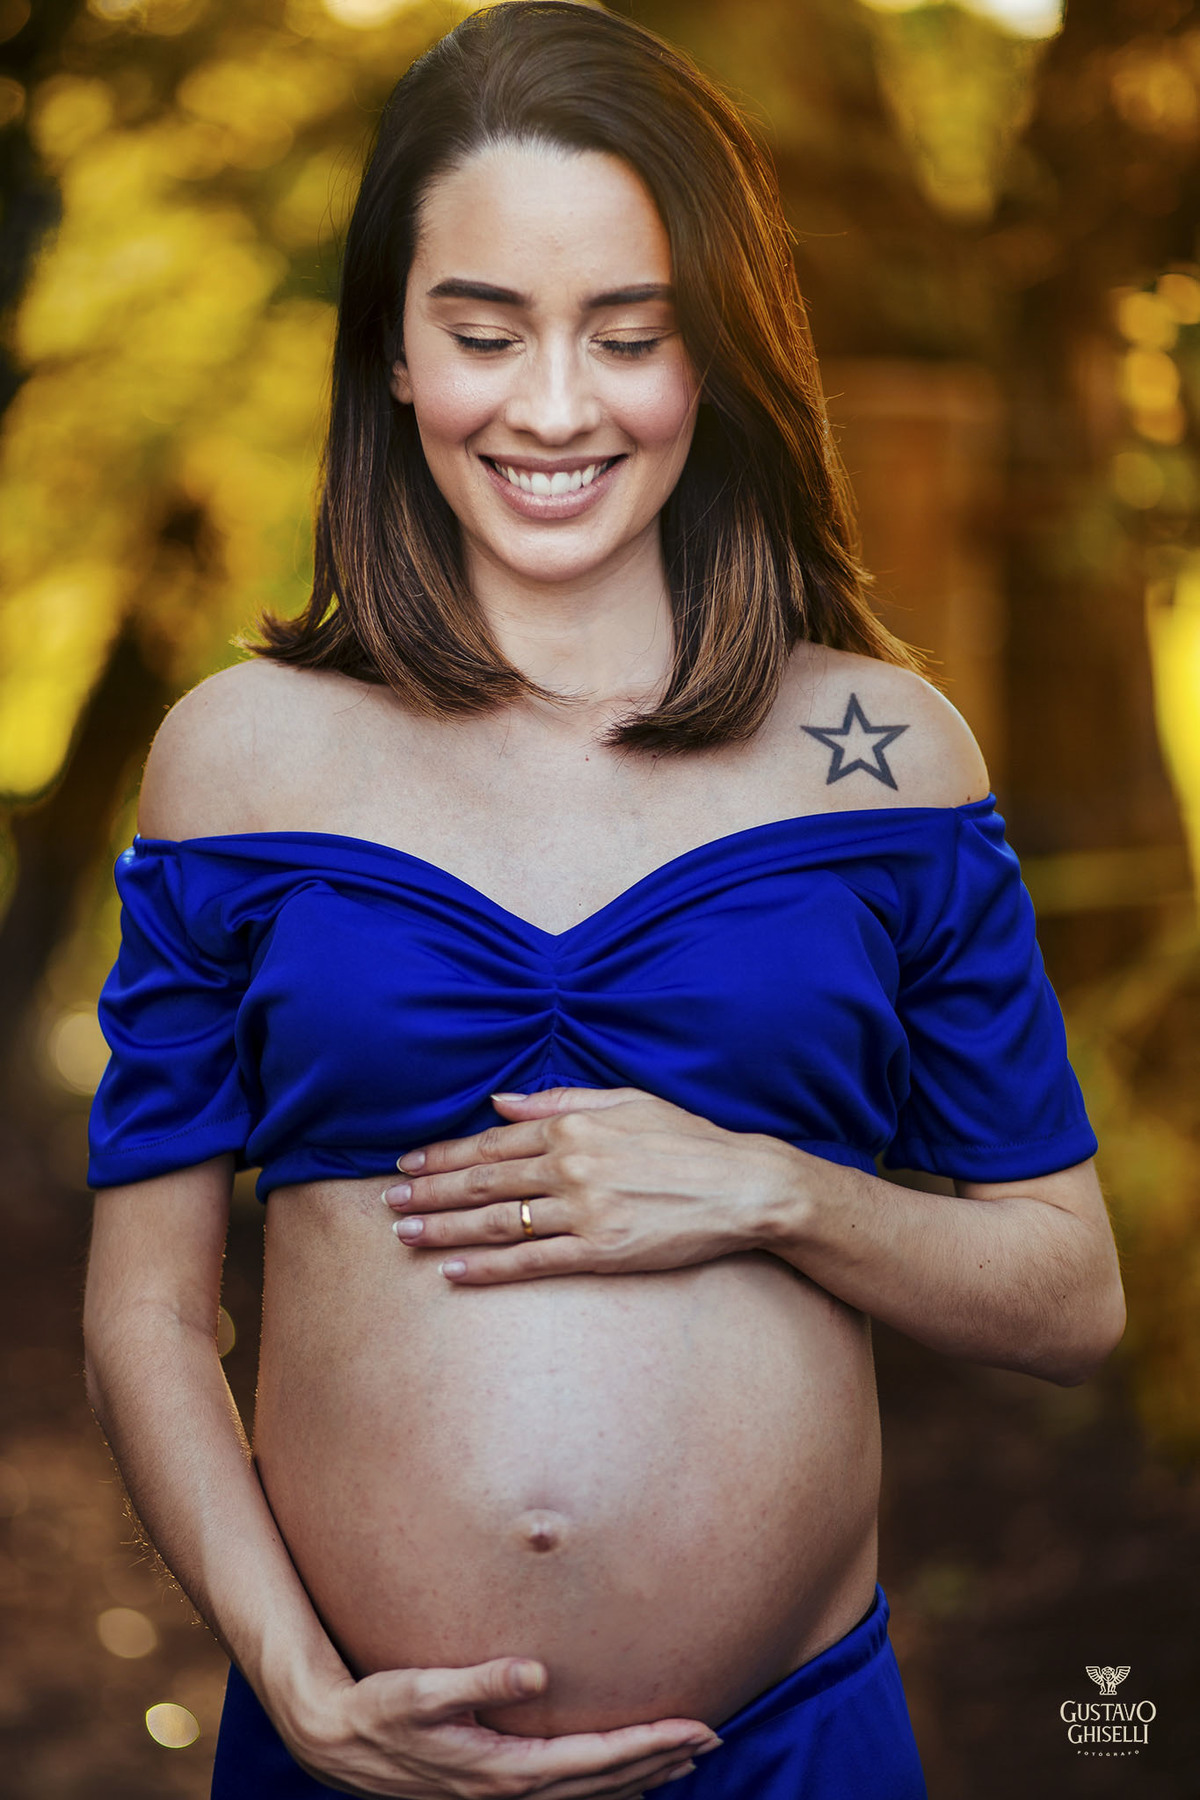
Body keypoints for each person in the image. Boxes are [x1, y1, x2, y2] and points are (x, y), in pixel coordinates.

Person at [82, 5, 1126, 1797]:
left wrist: (772, 1187)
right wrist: (293, 1684)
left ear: (715, 356)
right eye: (482, 331)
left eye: (627, 337)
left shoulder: (877, 743)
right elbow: (152, 1312)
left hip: (787, 1755)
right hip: (348, 1764)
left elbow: (1069, 1291)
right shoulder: (238, 757)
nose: (554, 406)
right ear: (394, 355)